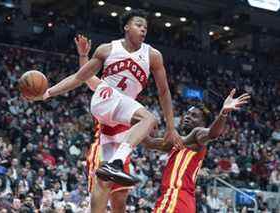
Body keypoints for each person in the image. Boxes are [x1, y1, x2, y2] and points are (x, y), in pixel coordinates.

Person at [37, 9, 182, 186]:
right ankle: (116, 164)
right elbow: (80, 77)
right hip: (105, 97)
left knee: (109, 190)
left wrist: (171, 130)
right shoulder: (108, 49)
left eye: (146, 27)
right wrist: (48, 92)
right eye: (138, 25)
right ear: (126, 27)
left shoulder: (153, 55)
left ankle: (111, 167)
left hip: (118, 114)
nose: (143, 29)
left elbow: (164, 92)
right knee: (149, 118)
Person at [142, 89, 250, 213]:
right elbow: (148, 142)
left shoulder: (197, 134)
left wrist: (223, 113)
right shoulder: (177, 142)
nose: (188, 117)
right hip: (182, 200)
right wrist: (133, 118)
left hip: (176, 197)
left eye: (194, 116)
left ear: (203, 123)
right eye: (187, 114)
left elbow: (212, 133)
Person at [75, 34, 133, 213]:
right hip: (103, 148)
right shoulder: (104, 88)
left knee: (120, 203)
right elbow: (86, 76)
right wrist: (84, 56)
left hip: (122, 153)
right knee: (99, 202)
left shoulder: (132, 95)